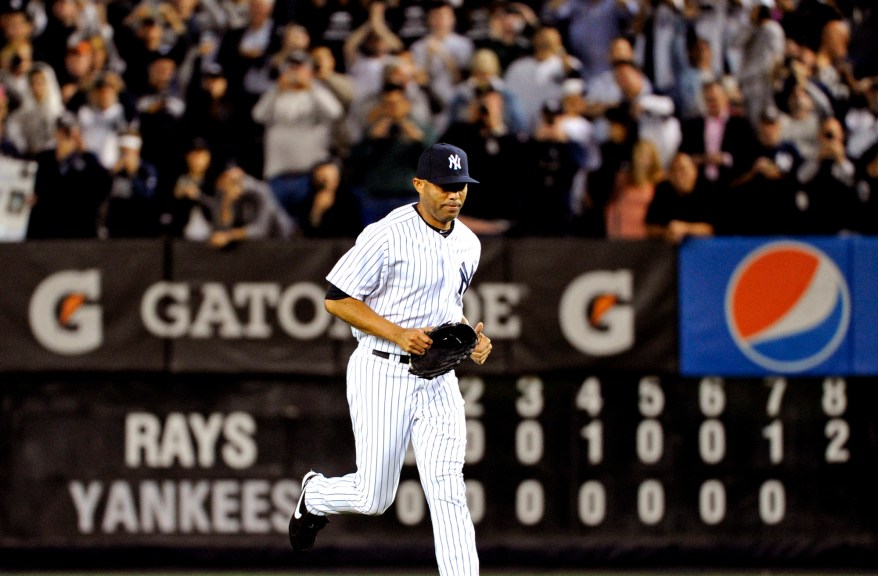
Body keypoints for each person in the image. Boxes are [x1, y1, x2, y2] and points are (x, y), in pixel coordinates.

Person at [289, 142, 492, 576]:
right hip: (382, 369)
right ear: (419, 184)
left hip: (438, 378)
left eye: (461, 186)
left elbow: (446, 306)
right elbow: (337, 299)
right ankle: (316, 496)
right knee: (373, 497)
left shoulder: (469, 244)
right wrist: (398, 333)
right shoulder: (386, 234)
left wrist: (471, 336)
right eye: (444, 186)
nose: (454, 195)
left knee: (447, 487)